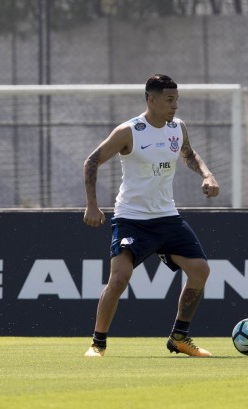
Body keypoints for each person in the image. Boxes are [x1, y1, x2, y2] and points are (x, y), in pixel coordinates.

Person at [82, 74, 219, 358]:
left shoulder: (177, 128)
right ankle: (98, 343)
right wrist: (92, 206)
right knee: (119, 279)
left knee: (200, 271)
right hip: (132, 218)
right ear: (151, 99)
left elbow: (188, 153)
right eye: (169, 100)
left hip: (167, 216)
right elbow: (92, 161)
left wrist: (207, 174)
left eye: (177, 99)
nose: (175, 105)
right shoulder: (129, 131)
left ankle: (179, 337)